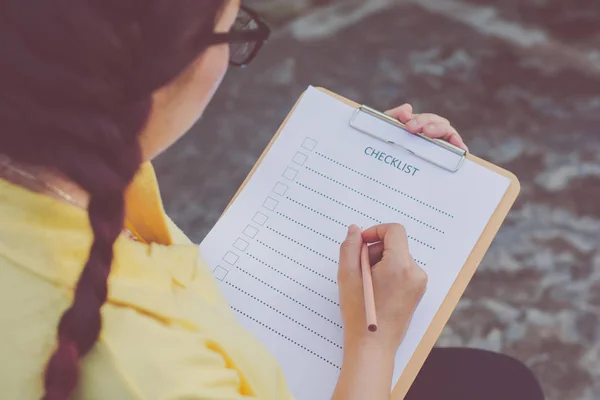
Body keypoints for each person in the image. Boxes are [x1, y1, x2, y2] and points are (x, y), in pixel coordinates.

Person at [0, 1, 544, 399]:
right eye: (232, 27)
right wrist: (374, 341)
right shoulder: (146, 373)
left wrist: (372, 166)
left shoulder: (54, 165)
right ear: (155, 72)